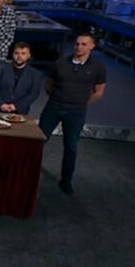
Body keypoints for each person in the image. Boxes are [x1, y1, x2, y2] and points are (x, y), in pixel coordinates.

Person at [39, 33, 107, 195]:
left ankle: (66, 180)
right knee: (39, 141)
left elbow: (99, 92)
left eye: (84, 44)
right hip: (53, 108)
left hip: (76, 112)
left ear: (92, 46)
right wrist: (58, 98)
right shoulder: (61, 63)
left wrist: (81, 103)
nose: (79, 47)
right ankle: (27, 173)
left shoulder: (98, 67)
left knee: (71, 147)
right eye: (77, 44)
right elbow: (49, 85)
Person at [0, 42, 44, 114]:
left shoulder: (36, 74)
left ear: (29, 55)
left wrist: (17, 106)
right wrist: (1, 104)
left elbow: (33, 93)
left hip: (19, 112)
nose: (19, 56)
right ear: (12, 54)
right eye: (16, 53)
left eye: (23, 53)